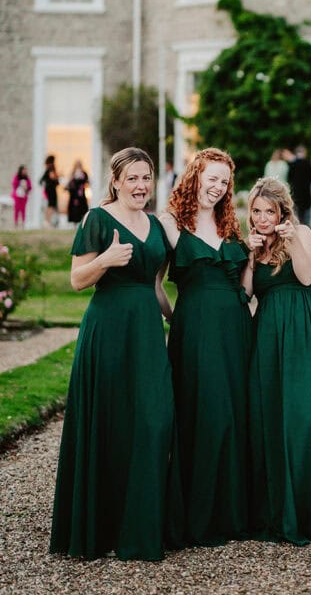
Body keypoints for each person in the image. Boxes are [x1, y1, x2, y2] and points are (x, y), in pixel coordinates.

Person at [50, 148, 181, 561]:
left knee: (154, 419)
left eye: (146, 178)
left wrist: (178, 320)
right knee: (109, 421)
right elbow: (76, 279)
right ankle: (100, 529)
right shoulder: (97, 219)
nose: (141, 186)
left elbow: (156, 286)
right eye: (133, 179)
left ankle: (140, 527)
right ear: (116, 181)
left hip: (145, 330)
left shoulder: (156, 225)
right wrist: (105, 260)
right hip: (107, 330)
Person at [159, 148, 252, 546]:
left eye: (224, 182)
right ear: (195, 174)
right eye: (212, 178)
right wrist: (174, 317)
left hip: (236, 327)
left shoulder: (230, 225)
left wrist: (255, 258)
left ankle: (232, 515)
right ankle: (199, 515)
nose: (217, 187)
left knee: (234, 412)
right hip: (195, 329)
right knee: (202, 412)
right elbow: (154, 284)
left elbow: (245, 291)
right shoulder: (168, 221)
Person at [243, 176, 311, 544]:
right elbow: (247, 293)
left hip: (306, 330)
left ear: (283, 211)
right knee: (271, 417)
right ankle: (275, 511)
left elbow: (305, 276)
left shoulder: (302, 233)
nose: (263, 218)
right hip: (268, 333)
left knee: (305, 417)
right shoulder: (250, 244)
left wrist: (291, 238)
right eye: (256, 211)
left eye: (270, 211)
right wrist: (249, 256)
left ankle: (309, 512)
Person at [287, 145, 311, 226]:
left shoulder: (293, 164)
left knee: (296, 207)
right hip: (306, 189)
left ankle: (297, 224)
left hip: (296, 189)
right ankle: (306, 225)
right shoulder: (308, 162)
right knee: (306, 208)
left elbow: (290, 176)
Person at [66, 160, 89, 224]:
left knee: (82, 207)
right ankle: (74, 222)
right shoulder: (73, 173)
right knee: (74, 208)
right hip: (74, 194)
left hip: (81, 194)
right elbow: (70, 183)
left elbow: (87, 182)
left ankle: (83, 221)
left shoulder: (84, 173)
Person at [40, 154, 59, 227]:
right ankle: (47, 221)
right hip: (51, 190)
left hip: (49, 190)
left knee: (50, 206)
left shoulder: (47, 170)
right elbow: (53, 179)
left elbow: (41, 181)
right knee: (51, 205)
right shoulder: (51, 169)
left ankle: (47, 220)